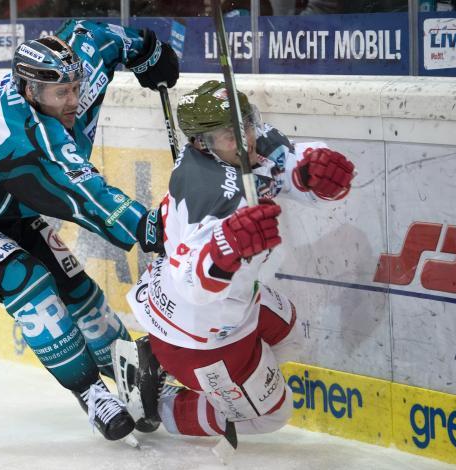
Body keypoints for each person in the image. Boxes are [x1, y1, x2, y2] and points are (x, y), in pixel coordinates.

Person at [0, 20, 179, 441]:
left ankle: (131, 377)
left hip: (9, 212)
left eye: (75, 87)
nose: (74, 100)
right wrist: (152, 228)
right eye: (62, 94)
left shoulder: (62, 71)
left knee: (77, 290)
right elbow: (90, 195)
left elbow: (92, 33)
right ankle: (90, 394)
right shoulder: (23, 138)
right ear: (30, 91)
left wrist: (148, 52)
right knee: (26, 280)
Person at [112, 80, 355, 443]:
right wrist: (223, 251)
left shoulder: (238, 145)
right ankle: (157, 406)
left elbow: (286, 164)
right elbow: (191, 283)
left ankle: (172, 365)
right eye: (230, 133)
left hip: (237, 304)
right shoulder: (208, 192)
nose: (246, 138)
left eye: (247, 124)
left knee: (289, 334)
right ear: (201, 142)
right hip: (198, 331)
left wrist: (312, 170)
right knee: (271, 417)